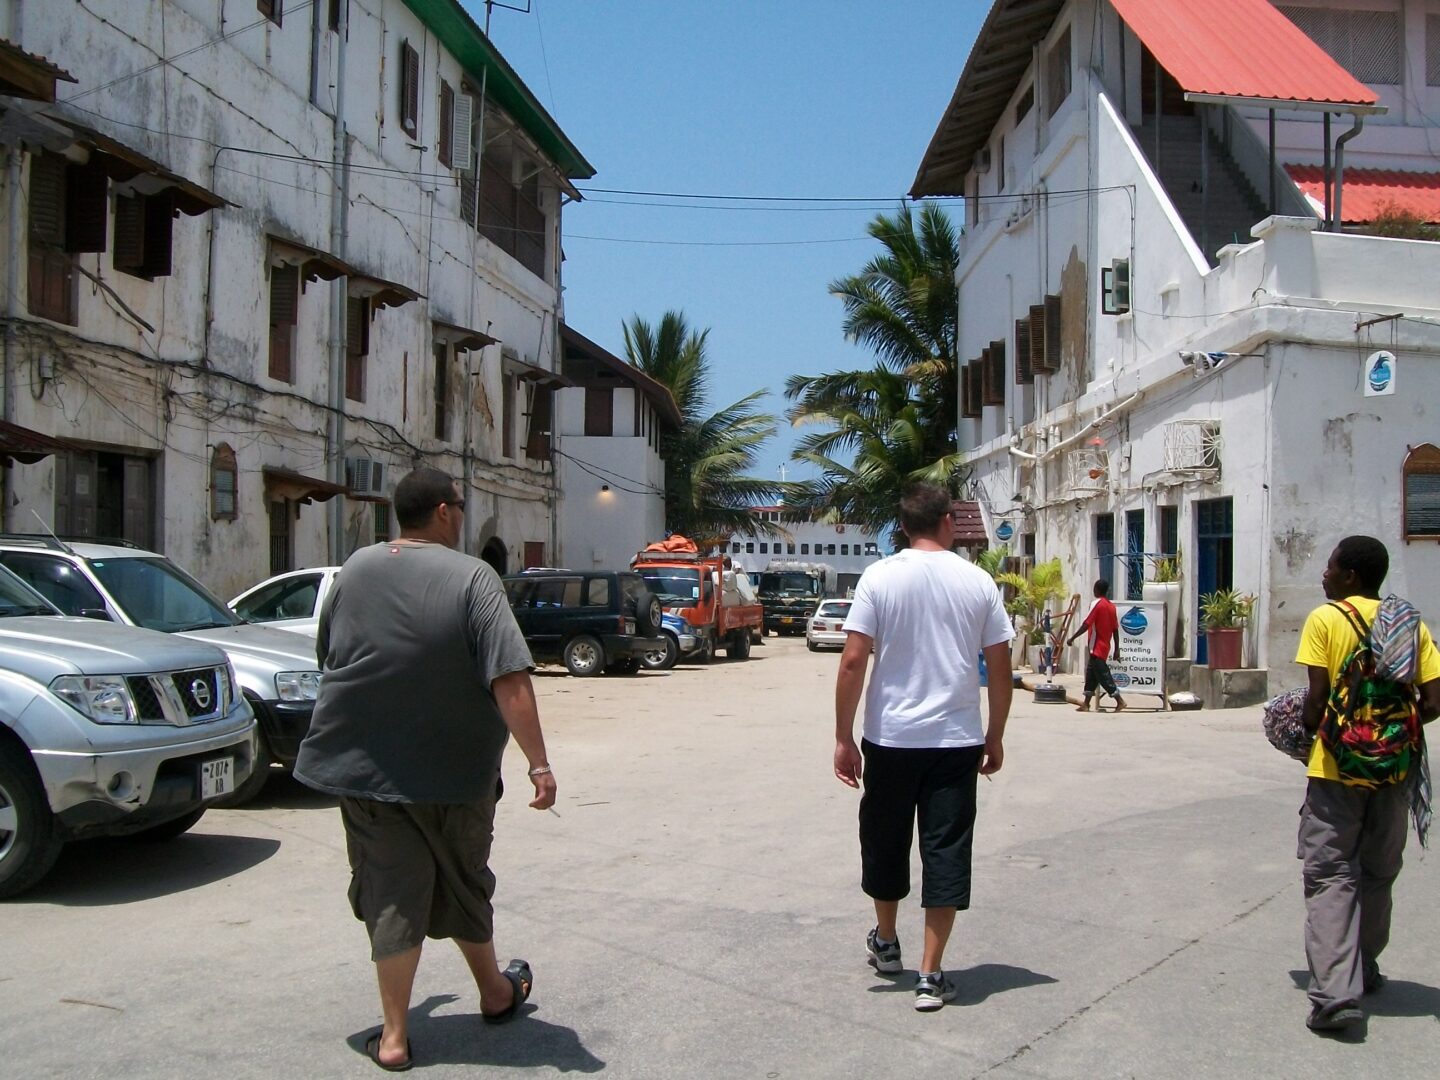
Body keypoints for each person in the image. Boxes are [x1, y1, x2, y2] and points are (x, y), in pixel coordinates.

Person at [294, 468, 556, 1071]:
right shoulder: (473, 577)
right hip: (456, 773)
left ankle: (393, 1036)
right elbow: (509, 676)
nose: (461, 516)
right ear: (443, 511)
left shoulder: (355, 569)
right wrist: (538, 765)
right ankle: (495, 993)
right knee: (463, 878)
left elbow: (328, 653)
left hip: (363, 768)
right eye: (459, 507)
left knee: (390, 889)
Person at [833, 484, 1013, 1011]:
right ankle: (932, 976)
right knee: (946, 848)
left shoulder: (879, 577)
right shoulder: (978, 582)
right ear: (948, 523)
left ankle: (887, 943)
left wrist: (844, 738)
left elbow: (852, 661)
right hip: (955, 741)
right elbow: (999, 669)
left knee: (885, 839)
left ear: (906, 525)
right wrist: (995, 734)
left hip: (889, 739)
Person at [1294, 535, 1440, 1033]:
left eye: (1331, 566)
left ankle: (1335, 994)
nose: (1325, 575)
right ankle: (1366, 964)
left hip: (1334, 771)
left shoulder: (1326, 619)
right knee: (1378, 873)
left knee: (1331, 875)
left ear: (1351, 575)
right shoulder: (1408, 622)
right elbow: (1434, 701)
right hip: (1394, 773)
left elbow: (1315, 703)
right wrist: (1389, 740)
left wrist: (1324, 732)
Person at [1067, 578, 1125, 713]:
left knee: (1104, 675)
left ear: (1097, 590)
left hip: (1097, 646)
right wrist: (1117, 648)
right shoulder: (1111, 606)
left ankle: (1120, 700)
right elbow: (1115, 629)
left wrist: (1072, 637)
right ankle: (1086, 704)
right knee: (1091, 675)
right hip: (1105, 646)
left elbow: (1087, 624)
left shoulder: (1097, 604)